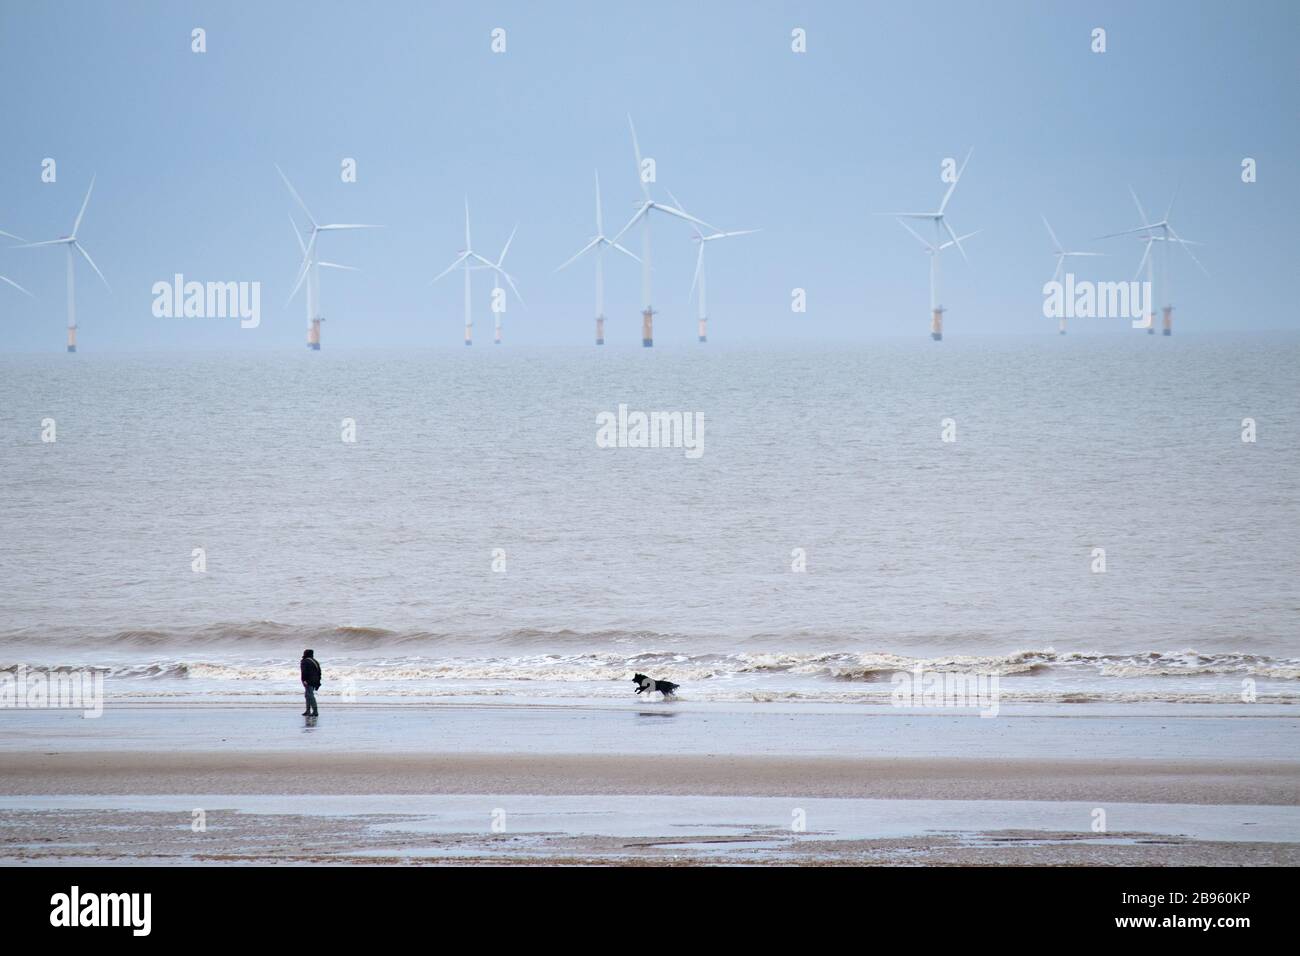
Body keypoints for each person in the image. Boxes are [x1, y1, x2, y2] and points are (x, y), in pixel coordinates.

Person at [300, 649, 321, 717]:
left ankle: (315, 711)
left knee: (310, 695)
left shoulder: (305, 661)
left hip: (309, 680)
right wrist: (318, 681)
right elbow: (319, 672)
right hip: (315, 680)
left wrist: (304, 680)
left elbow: (304, 672)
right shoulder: (315, 661)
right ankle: (308, 711)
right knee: (307, 695)